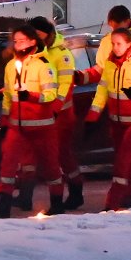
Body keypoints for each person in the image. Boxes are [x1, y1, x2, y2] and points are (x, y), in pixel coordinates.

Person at [0, 26, 63, 218]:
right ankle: (4, 204)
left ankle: (57, 202)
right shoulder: (10, 66)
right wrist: (4, 120)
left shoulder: (44, 65)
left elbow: (51, 95)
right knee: (8, 164)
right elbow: (8, 96)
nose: (18, 45)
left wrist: (30, 96)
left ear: (33, 41)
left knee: (50, 165)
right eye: (15, 41)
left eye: (22, 41)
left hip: (42, 126)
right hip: (17, 126)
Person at [88, 27, 131, 210]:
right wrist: (93, 115)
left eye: (119, 43)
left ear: (129, 44)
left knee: (123, 162)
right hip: (117, 122)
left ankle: (111, 203)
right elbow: (103, 89)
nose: (115, 47)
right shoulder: (110, 63)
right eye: (113, 43)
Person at [30, 15, 85, 212]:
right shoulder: (37, 52)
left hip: (61, 114)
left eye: (39, 34)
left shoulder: (61, 54)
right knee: (52, 156)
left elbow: (65, 86)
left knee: (59, 155)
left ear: (48, 34)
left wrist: (55, 108)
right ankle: (69, 193)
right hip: (43, 113)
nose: (36, 38)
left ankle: (72, 193)